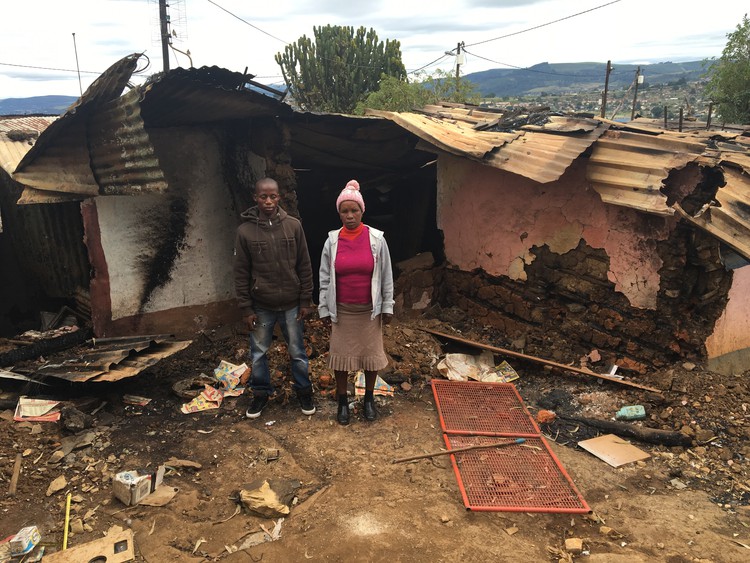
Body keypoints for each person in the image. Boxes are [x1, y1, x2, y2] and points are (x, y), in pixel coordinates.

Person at [233, 177, 316, 419]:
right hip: (261, 306)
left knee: (297, 351)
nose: (268, 201)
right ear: (255, 197)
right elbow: (240, 273)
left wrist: (305, 300)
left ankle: (304, 391)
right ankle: (260, 394)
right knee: (258, 353)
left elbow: (305, 264)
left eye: (273, 196)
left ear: (279, 197)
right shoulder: (245, 231)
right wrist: (246, 308)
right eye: (263, 196)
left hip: (291, 304)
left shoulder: (293, 226)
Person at [318, 179, 394, 425]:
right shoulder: (332, 241)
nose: (349, 215)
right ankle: (343, 402)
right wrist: (324, 308)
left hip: (369, 311)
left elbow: (386, 276)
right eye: (344, 211)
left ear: (362, 211)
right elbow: (325, 278)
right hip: (342, 310)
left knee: (370, 357)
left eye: (354, 210)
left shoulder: (376, 239)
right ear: (339, 213)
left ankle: (368, 399)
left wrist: (387, 306)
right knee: (341, 359)